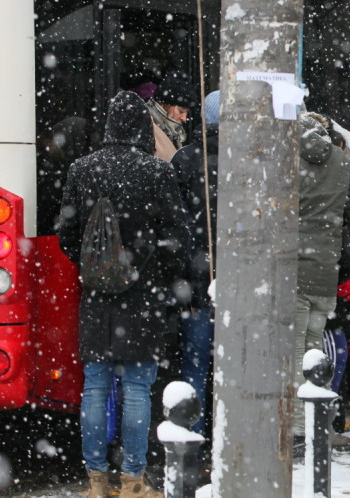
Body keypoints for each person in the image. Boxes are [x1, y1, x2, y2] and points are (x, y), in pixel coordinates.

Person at [58, 90, 191, 498]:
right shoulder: (157, 172)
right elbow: (180, 238)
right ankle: (133, 479)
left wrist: (97, 268)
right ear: (142, 127)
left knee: (95, 386)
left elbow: (67, 236)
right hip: (142, 295)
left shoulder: (83, 170)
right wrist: (145, 270)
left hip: (97, 296)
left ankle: (96, 480)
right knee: (137, 387)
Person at [294, 113, 350, 452]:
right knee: (314, 348)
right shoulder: (343, 161)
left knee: (293, 352)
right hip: (325, 270)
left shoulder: (283, 158)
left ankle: (297, 431)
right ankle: (317, 426)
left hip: (290, 268)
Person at [170, 90, 220, 438]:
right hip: (243, 283)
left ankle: (193, 439)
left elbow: (175, 225)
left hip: (197, 283)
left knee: (195, 367)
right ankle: (229, 441)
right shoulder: (255, 160)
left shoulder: (184, 159)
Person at [147, 72, 198, 161]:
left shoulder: (172, 132)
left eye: (187, 112)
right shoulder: (146, 127)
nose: (184, 118)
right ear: (164, 104)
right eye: (181, 111)